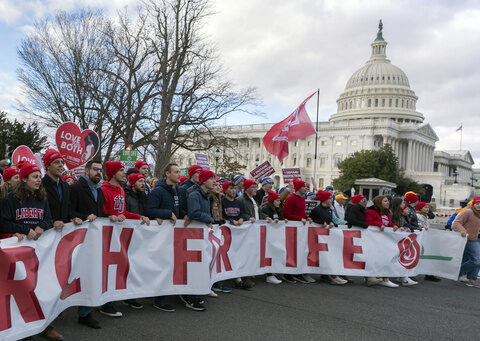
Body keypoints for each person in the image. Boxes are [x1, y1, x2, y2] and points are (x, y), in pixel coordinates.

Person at [0, 162, 59, 340]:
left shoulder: (42, 199)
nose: (39, 179)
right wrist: (26, 230)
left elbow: (49, 220)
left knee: (39, 289)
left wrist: (42, 225)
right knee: (19, 291)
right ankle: (21, 330)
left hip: (38, 253)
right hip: (17, 255)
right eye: (35, 176)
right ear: (24, 179)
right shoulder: (10, 199)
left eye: (40, 176)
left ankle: (43, 325)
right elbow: (3, 223)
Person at [147, 163, 203, 311]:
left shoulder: (179, 190)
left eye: (179, 172)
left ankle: (174, 292)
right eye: (176, 172)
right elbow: (150, 209)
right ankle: (159, 300)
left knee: (175, 265)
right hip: (162, 236)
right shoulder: (158, 191)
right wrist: (166, 214)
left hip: (175, 235)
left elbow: (180, 209)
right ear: (167, 174)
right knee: (163, 266)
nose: (179, 174)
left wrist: (185, 214)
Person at [69, 159, 110, 328]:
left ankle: (85, 313)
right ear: (86, 171)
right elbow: (70, 211)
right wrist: (84, 217)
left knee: (90, 273)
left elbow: (99, 213)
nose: (99, 172)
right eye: (95, 169)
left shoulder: (99, 191)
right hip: (78, 239)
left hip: (93, 239)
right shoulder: (76, 188)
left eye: (100, 170)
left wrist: (110, 217)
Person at [365, 195, 408, 288]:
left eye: (388, 201)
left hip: (383, 240)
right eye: (385, 201)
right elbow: (368, 222)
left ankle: (385, 279)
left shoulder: (386, 212)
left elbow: (388, 223)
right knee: (374, 258)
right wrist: (379, 224)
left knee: (386, 258)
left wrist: (395, 225)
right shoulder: (370, 211)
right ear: (379, 202)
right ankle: (371, 277)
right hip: (374, 239)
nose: (388, 203)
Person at [309, 190, 347, 285]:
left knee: (329, 255)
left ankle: (330, 275)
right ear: (324, 200)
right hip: (318, 238)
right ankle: (328, 276)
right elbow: (312, 220)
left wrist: (331, 223)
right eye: (330, 198)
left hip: (327, 237)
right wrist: (321, 223)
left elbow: (332, 220)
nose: (331, 200)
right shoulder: (317, 210)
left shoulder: (329, 209)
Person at [345, 194, 382, 287]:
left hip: (358, 236)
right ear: (358, 201)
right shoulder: (354, 208)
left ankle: (368, 277)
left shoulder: (361, 209)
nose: (366, 202)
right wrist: (364, 225)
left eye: (366, 200)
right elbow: (351, 219)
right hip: (353, 236)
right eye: (364, 200)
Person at [282, 179, 314, 284]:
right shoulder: (291, 198)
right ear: (299, 188)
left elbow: (301, 213)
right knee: (291, 251)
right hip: (292, 228)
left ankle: (297, 272)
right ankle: (288, 274)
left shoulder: (302, 198)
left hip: (300, 229)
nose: (306, 188)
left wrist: (307, 217)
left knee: (299, 251)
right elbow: (286, 214)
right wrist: (299, 219)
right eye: (304, 186)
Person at [453, 196, 480, 288]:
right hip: (470, 239)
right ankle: (458, 272)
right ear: (474, 204)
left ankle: (472, 279)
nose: (479, 205)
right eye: (477, 203)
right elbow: (456, 222)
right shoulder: (468, 212)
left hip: (477, 238)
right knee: (476, 260)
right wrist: (462, 230)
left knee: (475, 259)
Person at [0, 167, 20, 238]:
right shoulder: (3, 198)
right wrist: (10, 235)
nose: (19, 179)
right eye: (16, 177)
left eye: (20, 176)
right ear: (8, 181)